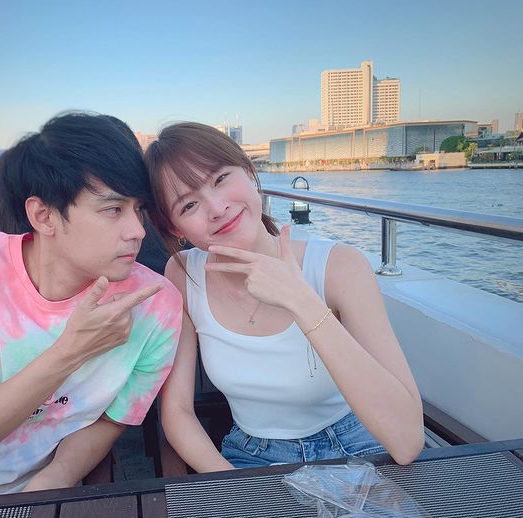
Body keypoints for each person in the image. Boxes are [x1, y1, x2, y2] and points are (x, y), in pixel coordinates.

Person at [0, 112, 182, 506]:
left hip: (37, 501)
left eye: (138, 209)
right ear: (43, 216)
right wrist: (70, 352)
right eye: (113, 209)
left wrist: (59, 475)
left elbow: (112, 418)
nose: (138, 231)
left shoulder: (156, 304)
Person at [144, 122, 424, 472]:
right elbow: (177, 411)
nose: (216, 207)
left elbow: (407, 441)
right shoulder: (183, 274)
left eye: (220, 179)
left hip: (356, 442)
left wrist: (300, 300)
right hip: (252, 453)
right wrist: (238, 490)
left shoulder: (339, 267)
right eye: (188, 205)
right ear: (175, 228)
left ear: (249, 172)